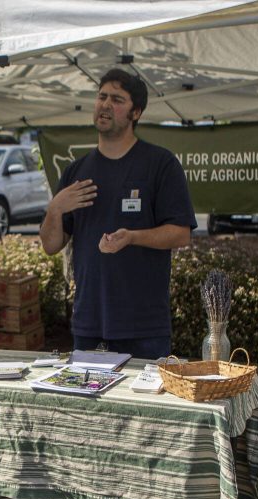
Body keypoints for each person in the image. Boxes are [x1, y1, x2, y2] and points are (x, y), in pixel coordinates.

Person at [39, 69, 195, 360]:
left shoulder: (160, 164)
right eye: (102, 97)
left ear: (135, 112)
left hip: (143, 326)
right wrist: (55, 208)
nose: (106, 105)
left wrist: (133, 237)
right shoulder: (76, 172)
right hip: (89, 323)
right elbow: (50, 246)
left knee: (144, 407)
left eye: (117, 99)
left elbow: (180, 233)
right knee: (86, 406)